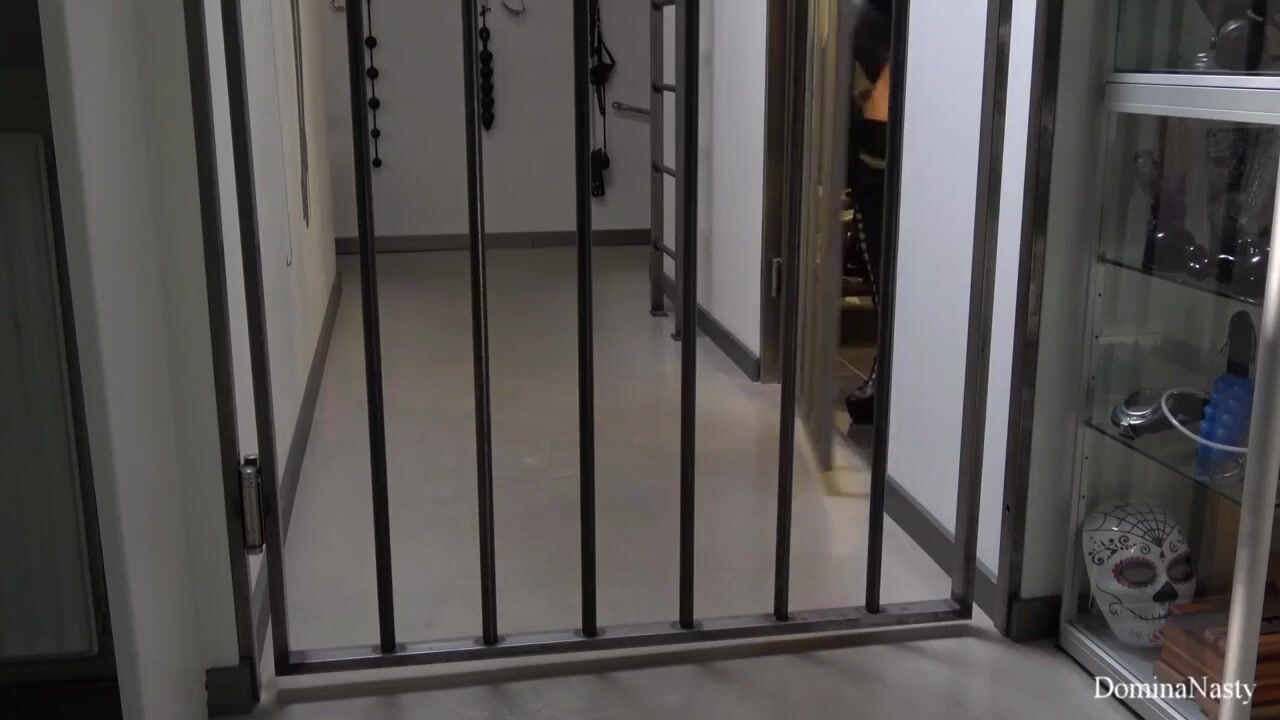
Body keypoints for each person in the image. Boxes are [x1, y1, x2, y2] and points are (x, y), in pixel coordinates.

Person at [844, 0, 893, 426]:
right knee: (887, 282)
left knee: (889, 283)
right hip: (875, 159)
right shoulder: (873, 20)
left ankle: (888, 377)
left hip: (880, 161)